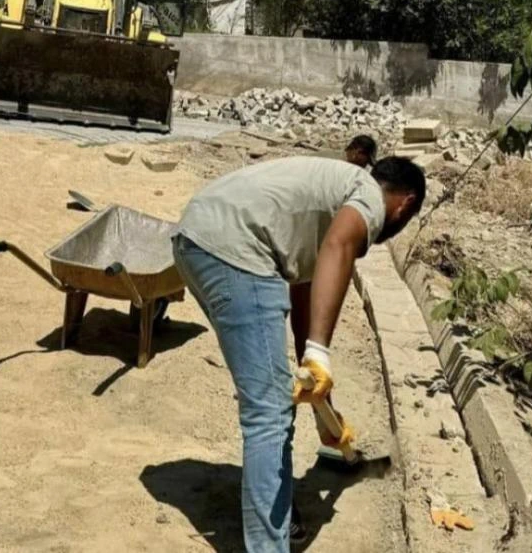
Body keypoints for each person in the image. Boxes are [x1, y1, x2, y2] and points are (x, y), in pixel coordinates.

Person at [172, 156, 425, 552]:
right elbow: (340, 246)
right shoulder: (371, 199)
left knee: (270, 400)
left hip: (198, 238)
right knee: (270, 412)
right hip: (236, 249)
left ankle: (279, 512)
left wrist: (323, 403)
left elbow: (305, 297)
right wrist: (320, 351)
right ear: (405, 204)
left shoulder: (331, 198)